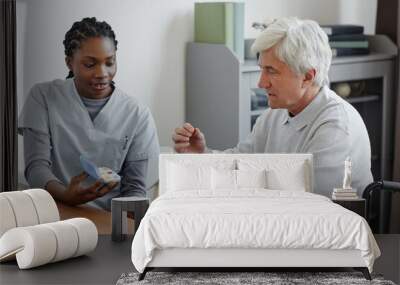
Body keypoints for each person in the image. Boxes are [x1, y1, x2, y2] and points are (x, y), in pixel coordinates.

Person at [172, 17, 373, 197]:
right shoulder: (273, 116)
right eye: (261, 70)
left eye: (271, 71)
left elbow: (309, 202)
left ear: (307, 77)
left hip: (325, 231)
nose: (261, 83)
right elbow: (241, 162)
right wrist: (202, 156)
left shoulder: (336, 127)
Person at [19, 17, 160, 211]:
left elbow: (134, 189)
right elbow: (36, 168)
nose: (102, 73)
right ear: (69, 62)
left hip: (109, 219)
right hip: (53, 211)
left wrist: (124, 229)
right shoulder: (43, 97)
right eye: (89, 64)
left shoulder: (137, 114)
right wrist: (66, 195)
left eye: (109, 62)